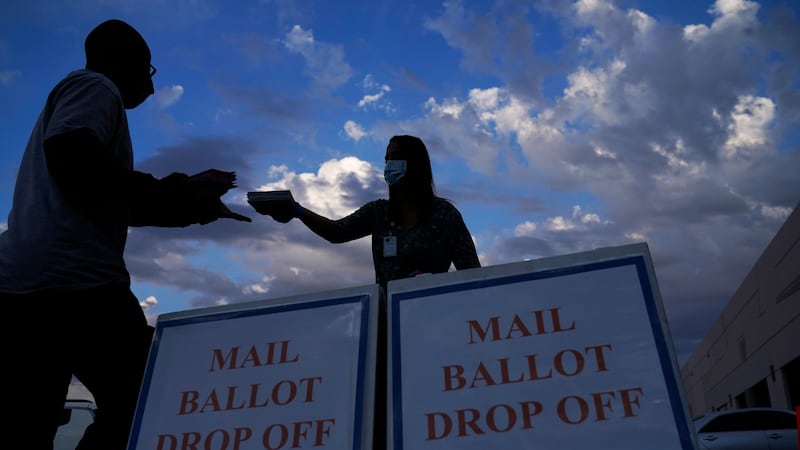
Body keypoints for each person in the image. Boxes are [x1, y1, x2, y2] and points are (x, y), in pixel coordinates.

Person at [0, 19, 250, 449]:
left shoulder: (85, 103)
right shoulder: (95, 87)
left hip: (23, 289)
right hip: (78, 285)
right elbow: (74, 161)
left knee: (28, 419)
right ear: (120, 60)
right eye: (148, 71)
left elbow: (113, 198)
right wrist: (180, 189)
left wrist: (194, 208)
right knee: (148, 396)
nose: (152, 89)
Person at [253, 134, 481, 288]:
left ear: (415, 163)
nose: (389, 164)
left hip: (435, 318)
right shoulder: (378, 211)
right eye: (386, 159)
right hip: (386, 317)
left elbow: (471, 273)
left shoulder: (444, 214)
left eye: (395, 157)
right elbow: (337, 231)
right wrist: (297, 210)